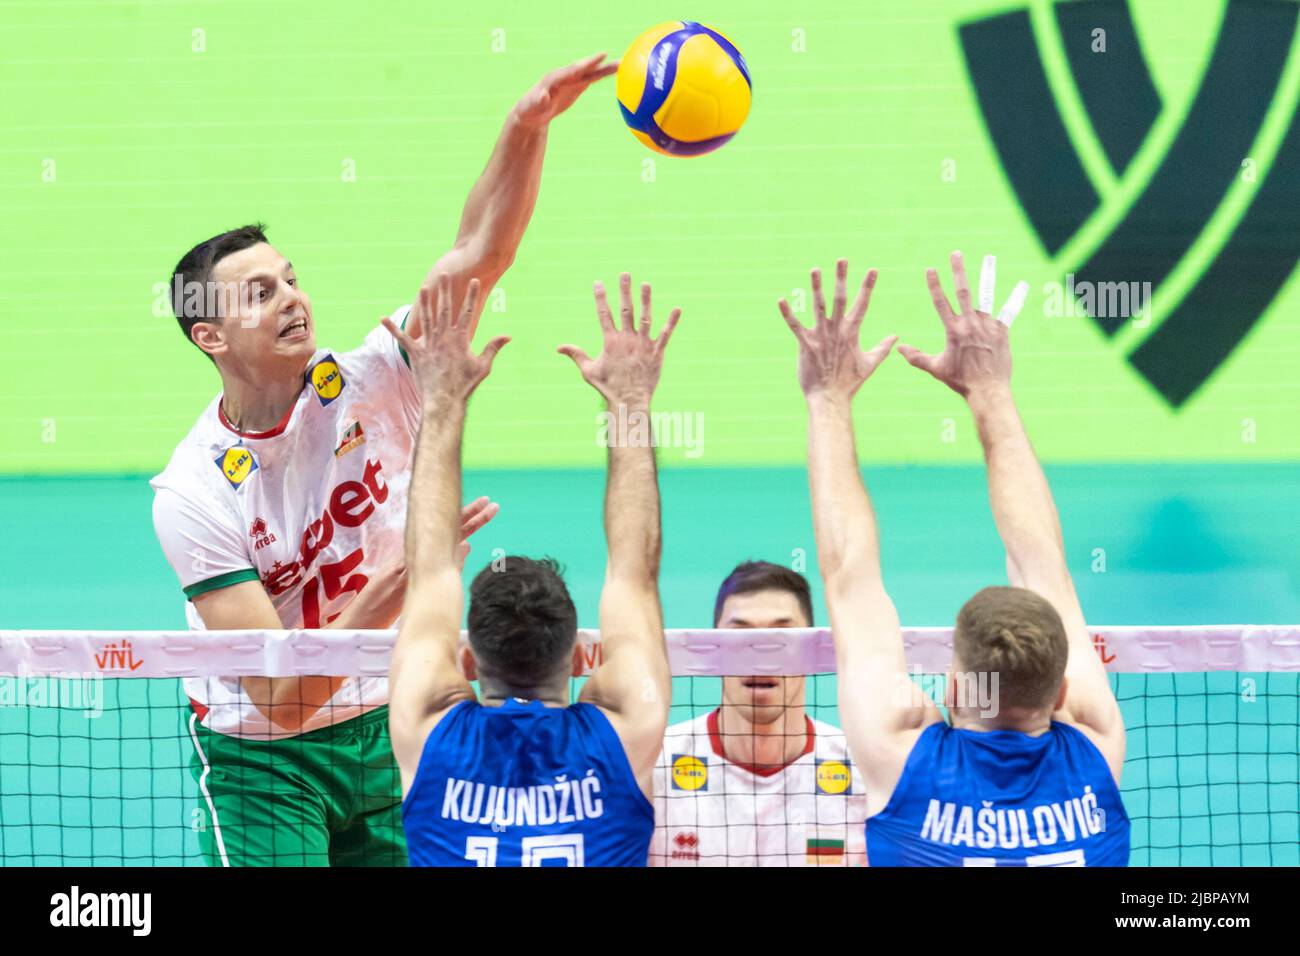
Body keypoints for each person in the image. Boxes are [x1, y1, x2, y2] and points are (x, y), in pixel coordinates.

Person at [149, 54, 617, 866]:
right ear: (210, 337)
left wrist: (526, 127)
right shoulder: (191, 492)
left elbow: (478, 253)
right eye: (259, 293)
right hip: (264, 758)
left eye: (290, 278)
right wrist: (395, 585)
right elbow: (281, 698)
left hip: (398, 716)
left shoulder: (374, 378)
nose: (293, 297)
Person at [779, 252, 1129, 866]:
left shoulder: (902, 755)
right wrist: (991, 390)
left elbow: (849, 577)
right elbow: (1043, 564)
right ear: (1061, 691)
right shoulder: (1096, 751)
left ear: (950, 686)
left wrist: (826, 399)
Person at [388, 272, 680, 866]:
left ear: (467, 662)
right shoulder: (624, 734)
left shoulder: (427, 730)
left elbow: (428, 575)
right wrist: (629, 402)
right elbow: (633, 573)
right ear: (579, 657)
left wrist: (442, 399)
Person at [651, 561, 868, 866]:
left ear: (814, 649)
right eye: (739, 637)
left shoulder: (864, 776)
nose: (761, 655)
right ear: (713, 648)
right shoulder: (652, 769)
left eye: (782, 637)